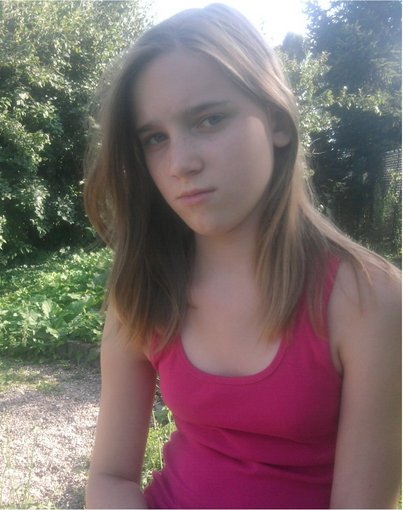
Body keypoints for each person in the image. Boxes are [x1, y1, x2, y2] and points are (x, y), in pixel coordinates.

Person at [84, 3, 401, 509]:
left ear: (276, 121)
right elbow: (110, 478)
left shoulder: (368, 298)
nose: (180, 163)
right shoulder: (145, 285)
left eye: (209, 119)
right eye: (155, 138)